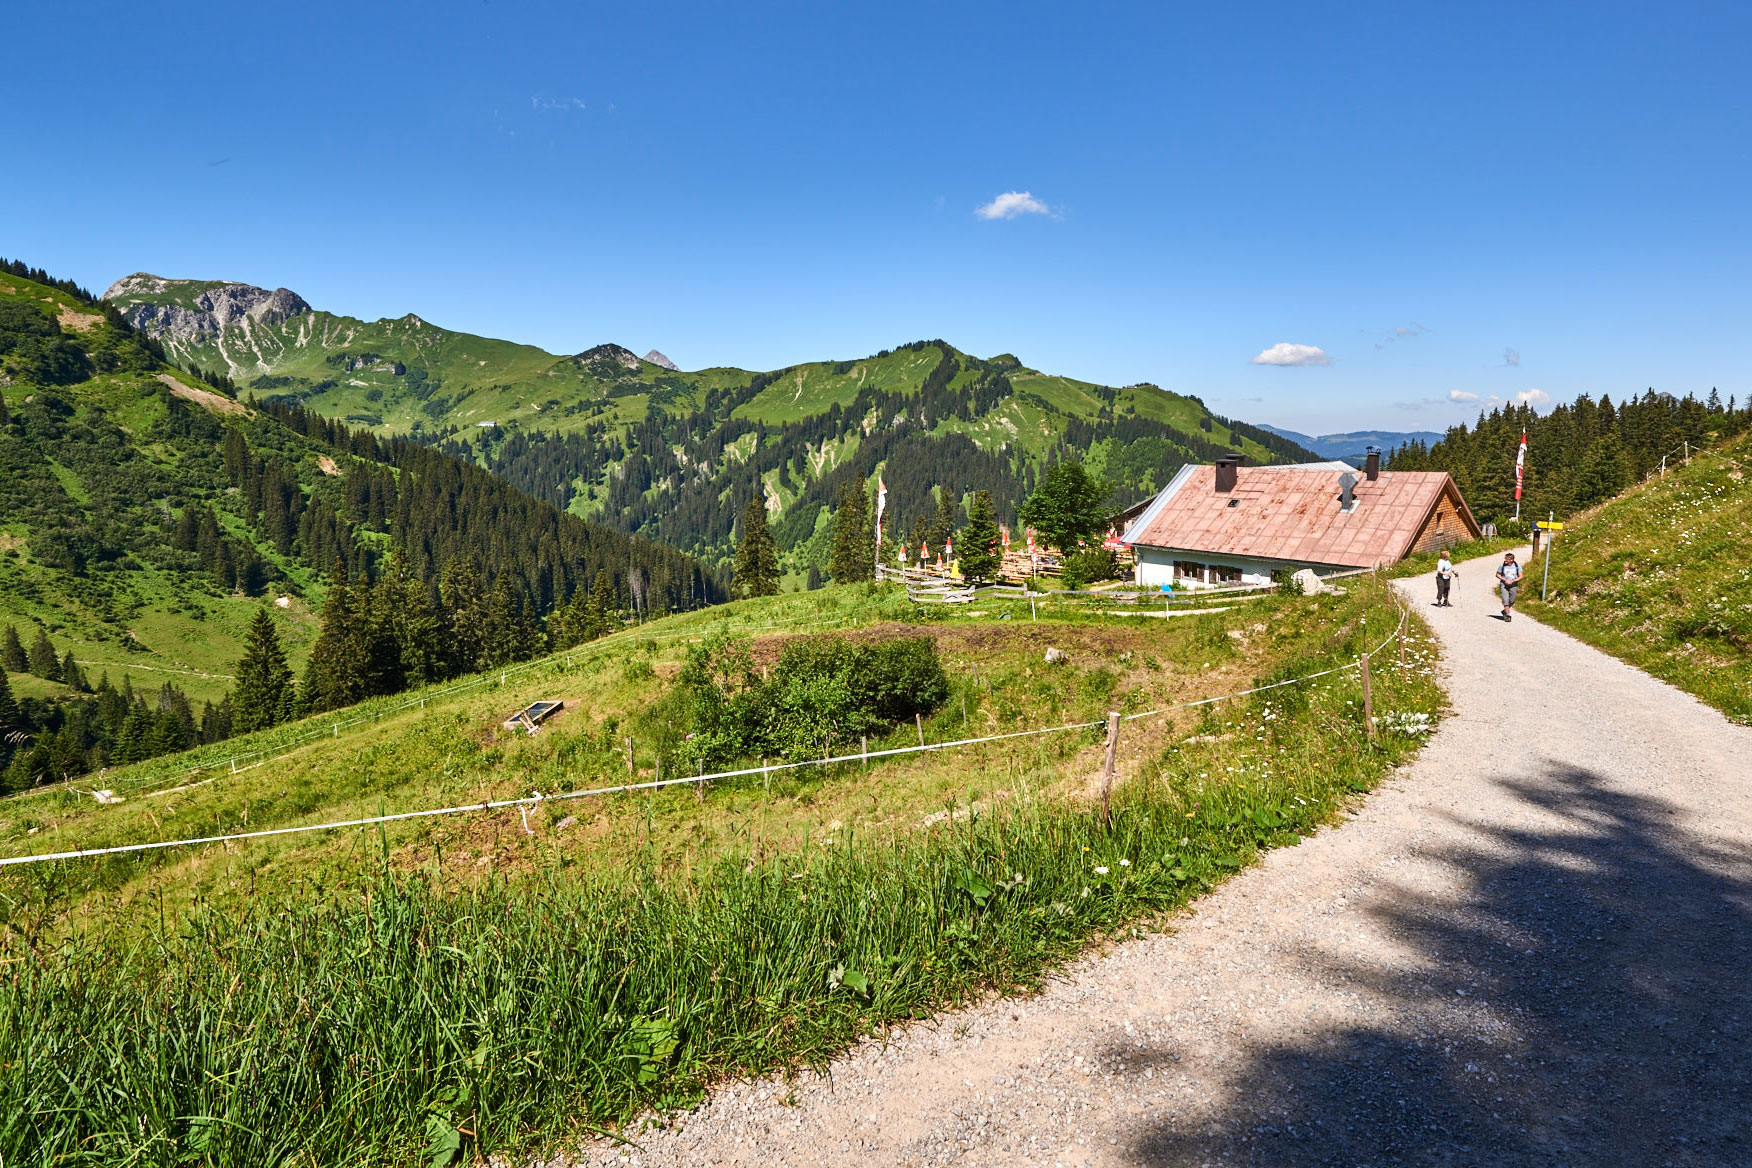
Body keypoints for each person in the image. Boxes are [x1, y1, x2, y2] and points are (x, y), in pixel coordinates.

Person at [1496, 552, 1523, 621]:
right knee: (1505, 600)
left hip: (1513, 585)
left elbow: (1521, 576)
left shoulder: (1517, 566)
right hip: (1504, 584)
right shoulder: (1502, 565)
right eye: (1505, 558)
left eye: (1507, 559)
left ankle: (1504, 611)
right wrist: (1504, 580)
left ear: (1512, 560)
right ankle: (1507, 615)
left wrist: (1513, 581)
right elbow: (1497, 574)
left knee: (1512, 600)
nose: (1505, 560)